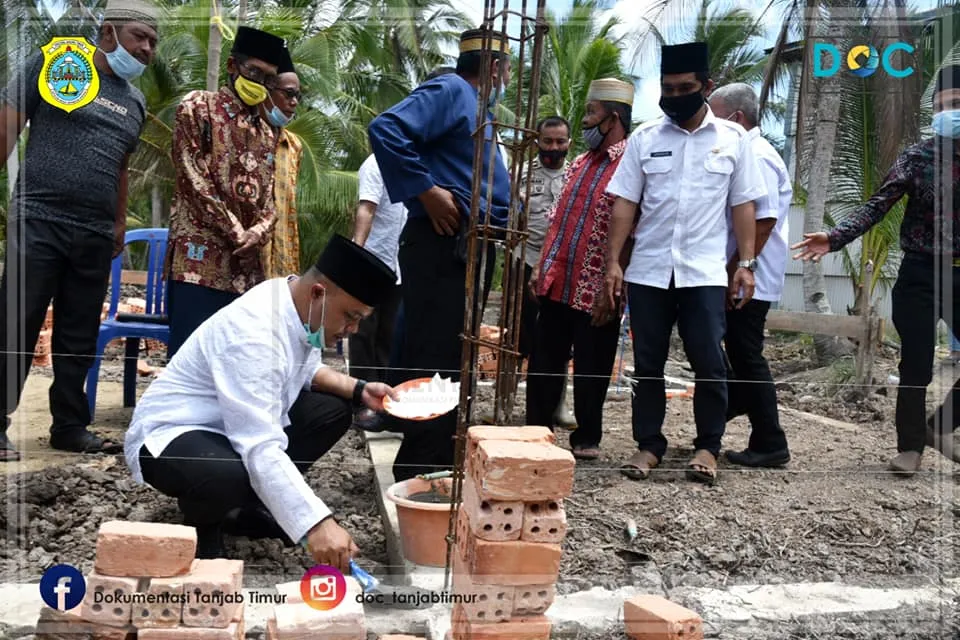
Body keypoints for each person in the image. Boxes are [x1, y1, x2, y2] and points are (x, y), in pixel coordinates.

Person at [125, 234, 399, 565]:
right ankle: (204, 527)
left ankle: (248, 507)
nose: (352, 330)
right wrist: (317, 525)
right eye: (351, 316)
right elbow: (259, 445)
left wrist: (359, 389)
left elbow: (304, 370)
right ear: (318, 293)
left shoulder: (294, 302)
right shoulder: (254, 336)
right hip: (175, 431)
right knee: (226, 473)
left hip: (232, 425)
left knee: (332, 411)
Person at [0, 0, 159, 460]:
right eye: (139, 37)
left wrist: (116, 223)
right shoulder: (56, 63)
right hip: (39, 219)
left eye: (152, 42)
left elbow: (122, 167)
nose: (147, 49)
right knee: (17, 323)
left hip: (93, 232)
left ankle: (69, 427)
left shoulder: (135, 100)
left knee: (78, 333)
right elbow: (10, 120)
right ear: (108, 32)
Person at [605, 42, 764, 484]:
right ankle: (649, 445)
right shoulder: (645, 139)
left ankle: (708, 447)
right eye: (667, 88)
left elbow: (744, 207)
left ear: (706, 87)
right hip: (649, 272)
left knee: (709, 362)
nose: (674, 96)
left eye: (685, 88)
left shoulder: (732, 141)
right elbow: (624, 205)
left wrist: (745, 263)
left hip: (705, 273)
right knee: (648, 363)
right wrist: (613, 264)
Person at [792, 64, 960, 475]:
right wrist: (834, 238)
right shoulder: (916, 158)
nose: (949, 112)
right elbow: (876, 206)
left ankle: (940, 428)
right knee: (916, 364)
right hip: (920, 275)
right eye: (943, 105)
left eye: (957, 104)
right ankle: (910, 449)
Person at [368, 28, 512, 481]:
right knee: (437, 357)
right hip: (441, 240)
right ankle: (422, 466)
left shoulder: (481, 112)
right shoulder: (452, 89)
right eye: (507, 70)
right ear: (495, 69)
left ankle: (429, 454)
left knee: (444, 353)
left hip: (465, 243)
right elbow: (386, 129)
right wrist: (425, 190)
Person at [164, 26, 290, 358]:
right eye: (254, 73)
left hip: (246, 271)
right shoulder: (198, 107)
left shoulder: (267, 133)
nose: (260, 84)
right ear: (232, 66)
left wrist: (258, 232)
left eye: (269, 79)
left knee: (235, 364)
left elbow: (271, 200)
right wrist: (237, 232)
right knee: (189, 361)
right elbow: (194, 178)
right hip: (198, 262)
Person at [526, 80, 635, 459]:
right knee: (544, 361)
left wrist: (616, 275)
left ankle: (586, 438)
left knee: (593, 364)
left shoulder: (631, 163)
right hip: (559, 279)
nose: (585, 121)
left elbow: (635, 227)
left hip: (597, 284)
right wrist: (541, 265)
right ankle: (537, 431)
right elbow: (557, 222)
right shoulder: (580, 163)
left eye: (591, 113)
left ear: (613, 118)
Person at [709, 83, 793, 468]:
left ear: (737, 118)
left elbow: (764, 219)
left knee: (746, 354)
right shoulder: (755, 150)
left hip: (748, 274)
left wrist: (738, 269)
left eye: (716, 114)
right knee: (740, 354)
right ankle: (738, 402)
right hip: (748, 271)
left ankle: (770, 440)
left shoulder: (756, 153)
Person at [517, 117, 575, 429]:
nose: (554, 148)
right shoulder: (522, 175)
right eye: (548, 141)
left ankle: (558, 403)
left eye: (560, 142)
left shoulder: (576, 173)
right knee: (521, 333)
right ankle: (509, 398)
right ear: (537, 141)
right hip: (524, 258)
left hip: (563, 264)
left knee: (558, 338)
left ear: (569, 142)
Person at [349, 153, 406, 431]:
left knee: (389, 335)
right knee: (363, 333)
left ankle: (386, 402)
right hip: (372, 259)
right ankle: (361, 401)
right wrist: (356, 255)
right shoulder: (374, 165)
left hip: (400, 264)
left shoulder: (410, 163)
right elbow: (366, 209)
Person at [260, 49, 303, 280]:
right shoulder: (245, 136)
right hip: (251, 254)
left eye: (298, 95)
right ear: (267, 91)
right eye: (288, 94)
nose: (294, 102)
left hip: (283, 258)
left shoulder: (294, 146)